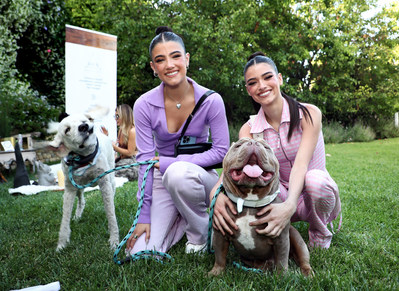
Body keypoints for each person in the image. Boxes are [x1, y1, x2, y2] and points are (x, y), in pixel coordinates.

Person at [211, 52, 341, 249]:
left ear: (279, 78)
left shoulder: (309, 114)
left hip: (314, 194)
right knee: (265, 185)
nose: (262, 86)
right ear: (248, 90)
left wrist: (290, 205)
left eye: (267, 77)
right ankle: (276, 233)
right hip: (278, 196)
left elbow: (301, 165)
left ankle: (319, 232)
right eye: (253, 82)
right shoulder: (249, 129)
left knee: (314, 180)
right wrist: (215, 194)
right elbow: (234, 164)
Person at [126, 26, 230, 255]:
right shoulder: (143, 104)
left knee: (179, 173)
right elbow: (144, 160)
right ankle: (182, 218)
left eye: (175, 56)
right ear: (154, 67)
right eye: (160, 60)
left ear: (187, 59)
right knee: (140, 252)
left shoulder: (212, 100)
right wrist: (144, 214)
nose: (170, 65)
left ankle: (200, 233)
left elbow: (223, 152)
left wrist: (172, 162)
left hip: (198, 176)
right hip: (162, 177)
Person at [102, 104, 138, 181]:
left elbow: (130, 153)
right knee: (104, 170)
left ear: (124, 116)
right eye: (115, 116)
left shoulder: (132, 131)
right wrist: (107, 138)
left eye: (117, 116)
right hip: (122, 160)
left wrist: (114, 147)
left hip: (133, 162)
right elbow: (118, 149)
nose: (115, 119)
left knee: (110, 174)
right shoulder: (121, 130)